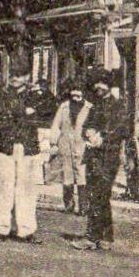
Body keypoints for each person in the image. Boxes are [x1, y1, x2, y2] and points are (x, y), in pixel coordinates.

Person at [71, 69, 127, 252]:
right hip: (93, 157)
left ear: (109, 85)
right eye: (96, 84)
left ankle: (92, 237)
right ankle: (106, 237)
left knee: (99, 196)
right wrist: (88, 132)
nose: (98, 87)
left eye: (102, 83)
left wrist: (102, 136)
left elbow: (120, 130)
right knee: (98, 196)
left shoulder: (118, 106)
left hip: (108, 157)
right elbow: (86, 125)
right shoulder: (95, 106)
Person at [0, 74, 46, 244]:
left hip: (27, 146)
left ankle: (26, 230)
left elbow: (45, 113)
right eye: (13, 73)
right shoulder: (1, 96)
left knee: (27, 189)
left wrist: (23, 111)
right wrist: (23, 111)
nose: (16, 78)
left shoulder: (36, 96)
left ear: (27, 76)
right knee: (1, 188)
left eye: (21, 74)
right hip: (4, 146)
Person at [49, 81, 92, 214]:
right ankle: (68, 205)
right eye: (73, 90)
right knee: (67, 176)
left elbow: (94, 126)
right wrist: (54, 143)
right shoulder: (64, 107)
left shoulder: (89, 108)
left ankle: (83, 207)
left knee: (82, 176)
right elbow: (56, 125)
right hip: (65, 145)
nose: (75, 94)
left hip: (82, 146)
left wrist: (92, 140)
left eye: (78, 91)